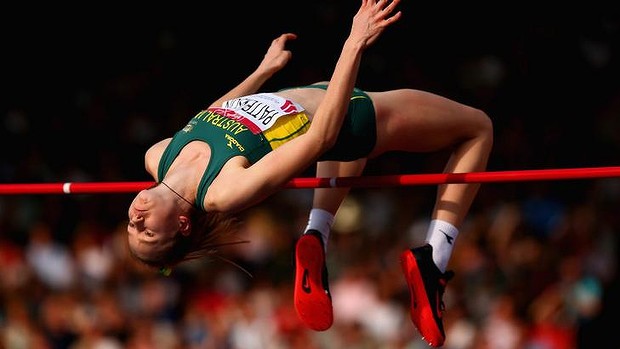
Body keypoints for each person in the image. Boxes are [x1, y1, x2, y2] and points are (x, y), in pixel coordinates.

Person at [126, 0, 493, 347]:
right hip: (350, 114)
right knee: (477, 128)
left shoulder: (158, 156)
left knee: (349, 157)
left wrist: (262, 72)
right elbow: (322, 137)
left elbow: (211, 115)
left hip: (310, 97)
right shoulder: (223, 190)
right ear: (182, 225)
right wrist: (354, 44)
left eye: (132, 227)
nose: (136, 220)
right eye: (148, 231)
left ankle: (317, 233)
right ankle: (434, 261)